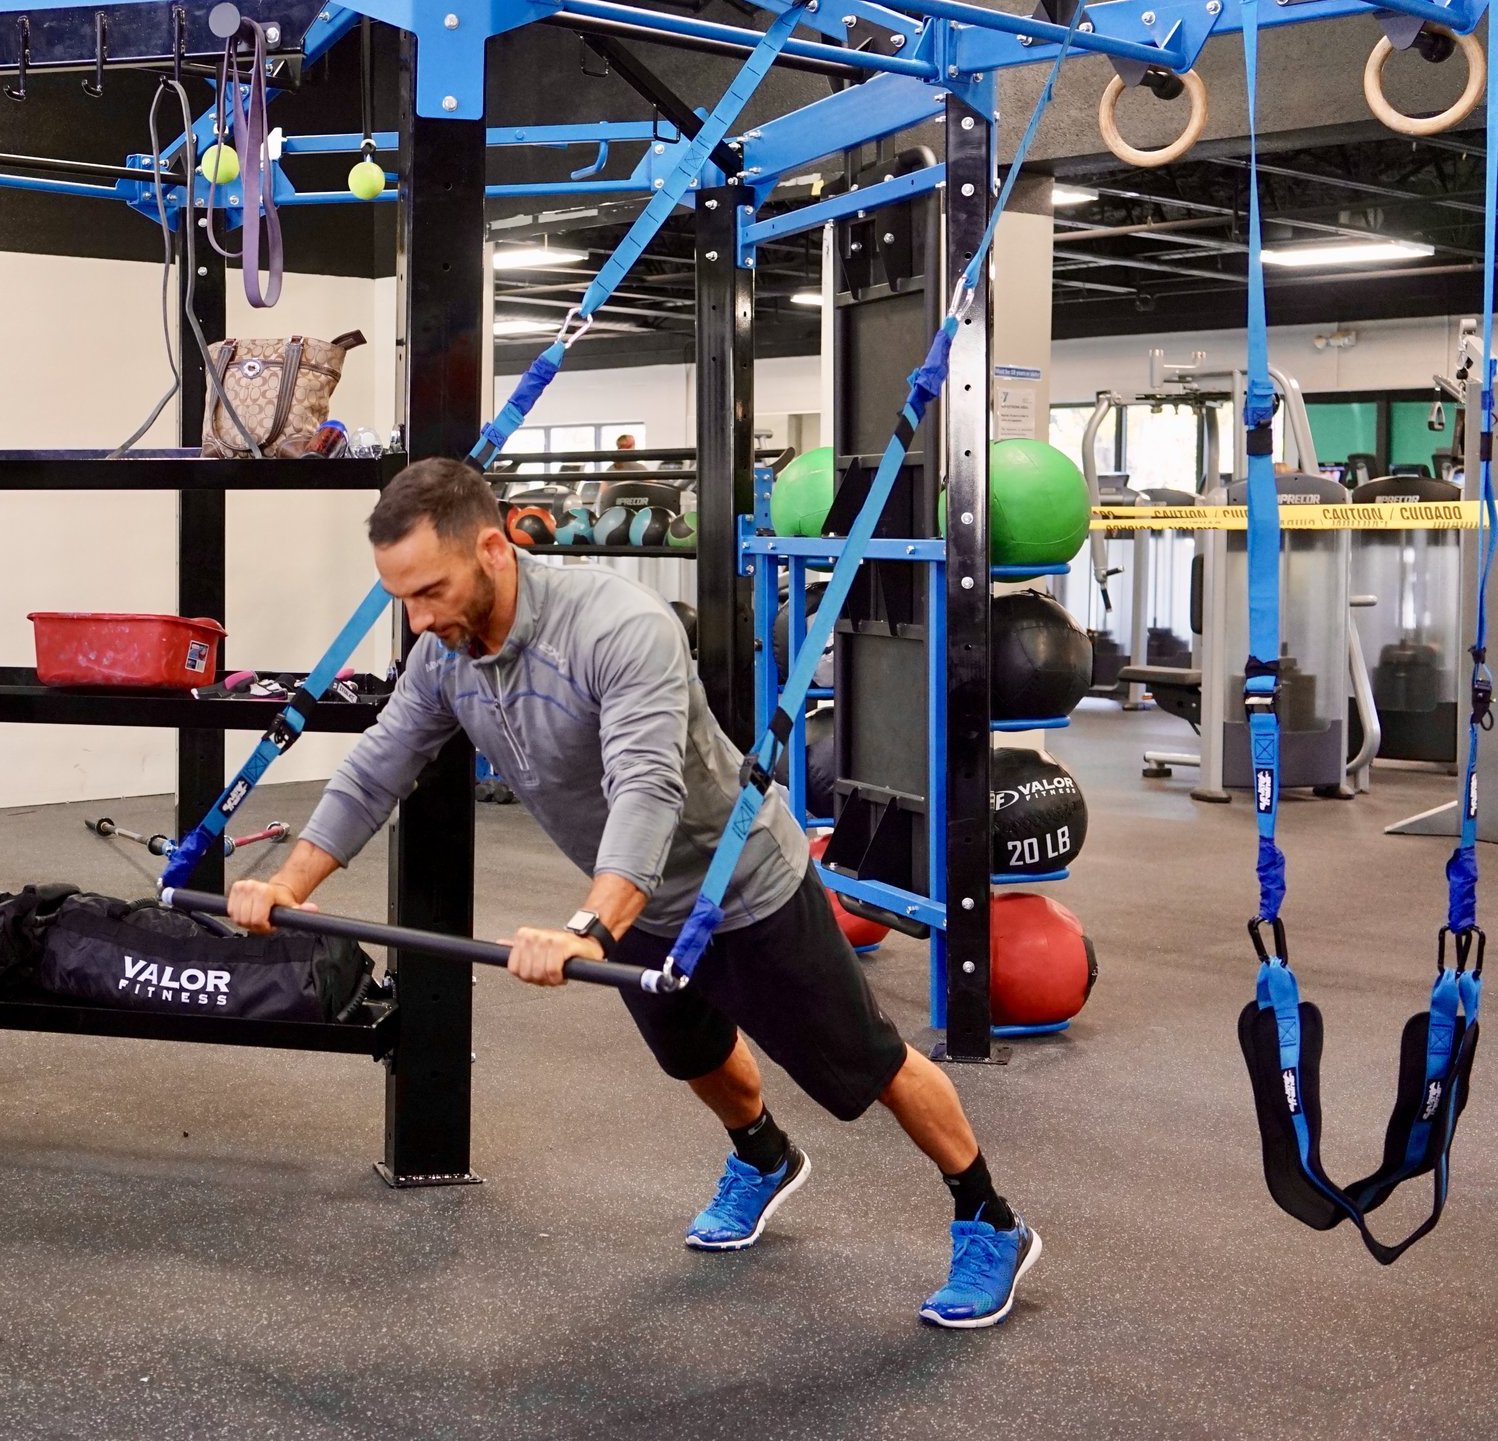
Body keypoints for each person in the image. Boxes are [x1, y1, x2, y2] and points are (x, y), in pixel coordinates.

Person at [231, 459, 1043, 1329]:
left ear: (494, 550)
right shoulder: (444, 655)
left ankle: (989, 1214)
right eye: (404, 598)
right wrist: (287, 884)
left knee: (870, 1067)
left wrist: (588, 925)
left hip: (742, 882)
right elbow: (374, 770)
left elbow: (647, 790)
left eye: (431, 589)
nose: (420, 618)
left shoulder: (620, 627)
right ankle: (763, 1156)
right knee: (693, 1054)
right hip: (638, 902)